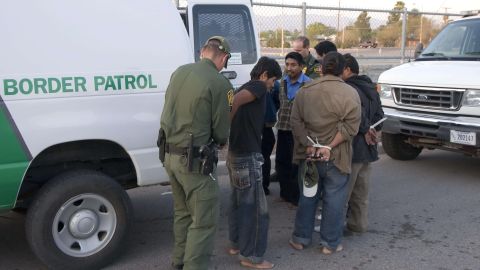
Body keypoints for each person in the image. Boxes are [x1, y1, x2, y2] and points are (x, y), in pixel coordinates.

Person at [159, 36, 232, 270]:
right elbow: (221, 131)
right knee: (204, 220)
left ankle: (178, 261)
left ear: (203, 52)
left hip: (169, 155)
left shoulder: (179, 72)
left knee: (182, 213)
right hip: (194, 162)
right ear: (223, 58)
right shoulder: (220, 83)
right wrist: (220, 141)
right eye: (225, 62)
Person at [288, 52, 361, 254]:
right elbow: (351, 126)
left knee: (307, 197)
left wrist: (309, 144)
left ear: (321, 67)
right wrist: (329, 147)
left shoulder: (305, 91)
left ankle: (300, 238)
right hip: (337, 156)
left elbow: (295, 121)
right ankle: (330, 243)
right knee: (335, 199)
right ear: (341, 69)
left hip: (309, 155)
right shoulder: (350, 93)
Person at [227, 56, 282, 269]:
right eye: (272, 81)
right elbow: (237, 99)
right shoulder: (258, 86)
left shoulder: (245, 84)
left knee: (237, 203)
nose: (271, 86)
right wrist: (226, 121)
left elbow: (235, 98)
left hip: (235, 153)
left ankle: (236, 244)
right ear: (265, 74)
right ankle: (251, 256)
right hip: (247, 156)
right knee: (257, 209)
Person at [342, 53, 384, 235]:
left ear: (348, 70)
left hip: (352, 147)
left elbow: (355, 116)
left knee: (342, 193)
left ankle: (333, 229)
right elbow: (380, 116)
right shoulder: (370, 87)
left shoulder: (349, 89)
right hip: (369, 147)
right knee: (361, 192)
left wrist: (365, 129)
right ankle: (358, 225)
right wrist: (373, 131)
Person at [275, 52, 312, 206]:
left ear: (301, 67)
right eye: (287, 64)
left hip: (298, 132)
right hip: (283, 129)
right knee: (281, 163)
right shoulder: (281, 82)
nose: (289, 68)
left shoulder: (309, 84)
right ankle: (285, 193)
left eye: (293, 65)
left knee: (296, 164)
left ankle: (295, 197)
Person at [261, 80, 280, 195]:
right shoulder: (272, 86)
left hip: (263, 127)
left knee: (262, 157)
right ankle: (264, 185)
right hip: (266, 127)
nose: (273, 84)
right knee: (264, 157)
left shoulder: (266, 87)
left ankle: (263, 185)